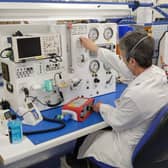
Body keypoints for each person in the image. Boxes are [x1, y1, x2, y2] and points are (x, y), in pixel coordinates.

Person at [76, 31, 168, 168]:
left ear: (132, 61)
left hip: (130, 151)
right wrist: (95, 49)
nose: (121, 60)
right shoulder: (157, 73)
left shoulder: (136, 95)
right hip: (155, 146)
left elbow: (117, 122)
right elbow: (122, 66)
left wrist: (101, 107)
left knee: (88, 140)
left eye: (123, 57)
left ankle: (75, 163)